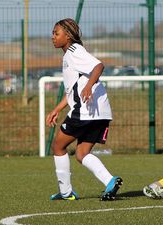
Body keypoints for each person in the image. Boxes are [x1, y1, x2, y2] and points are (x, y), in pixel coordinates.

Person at [46, 18, 122, 201]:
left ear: (69, 36)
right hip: (101, 112)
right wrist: (57, 108)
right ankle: (110, 181)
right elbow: (73, 90)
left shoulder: (74, 51)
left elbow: (99, 65)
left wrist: (89, 86)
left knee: (58, 146)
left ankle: (66, 192)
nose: (53, 37)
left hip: (85, 111)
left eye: (56, 33)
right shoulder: (70, 55)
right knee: (81, 154)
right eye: (53, 33)